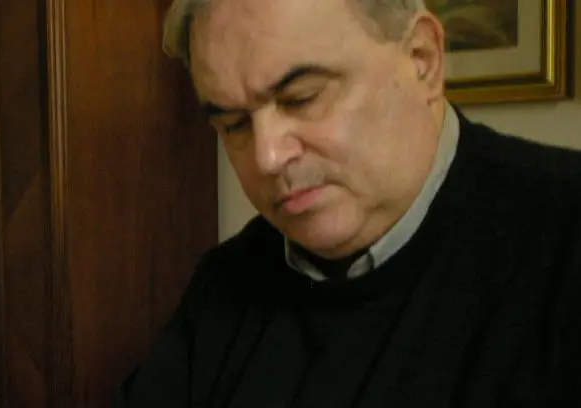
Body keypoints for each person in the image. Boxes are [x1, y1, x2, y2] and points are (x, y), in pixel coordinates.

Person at [115, 0, 581, 406]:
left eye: (302, 98)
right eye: (235, 125)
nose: (267, 157)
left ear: (422, 59)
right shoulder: (224, 285)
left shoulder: (564, 238)